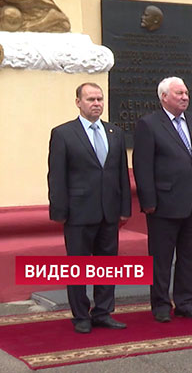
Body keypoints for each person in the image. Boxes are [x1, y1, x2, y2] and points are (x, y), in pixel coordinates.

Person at [47, 83, 131, 334]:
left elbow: (121, 175)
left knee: (107, 265)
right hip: (78, 212)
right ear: (78, 103)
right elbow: (56, 176)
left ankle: (103, 312)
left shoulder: (115, 132)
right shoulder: (63, 133)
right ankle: (81, 315)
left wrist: (124, 208)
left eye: (100, 99)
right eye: (91, 99)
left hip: (109, 212)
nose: (97, 103)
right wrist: (59, 211)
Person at [133, 76, 192, 322]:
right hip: (164, 204)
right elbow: (142, 165)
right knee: (161, 258)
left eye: (186, 93)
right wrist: (148, 201)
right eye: (179, 93)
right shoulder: (149, 124)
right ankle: (159, 304)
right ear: (164, 97)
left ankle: (185, 302)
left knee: (189, 256)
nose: (185, 97)